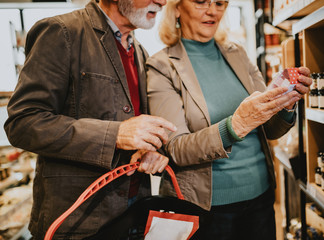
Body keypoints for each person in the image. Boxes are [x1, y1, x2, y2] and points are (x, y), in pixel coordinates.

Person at [4, 0, 177, 239]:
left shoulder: (138, 50)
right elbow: (22, 122)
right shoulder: (62, 32)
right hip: (77, 224)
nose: (162, 2)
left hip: (133, 215)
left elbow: (131, 124)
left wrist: (148, 150)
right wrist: (115, 135)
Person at [146, 0, 312, 239]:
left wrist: (285, 104)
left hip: (260, 197)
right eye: (201, 2)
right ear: (177, 7)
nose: (212, 10)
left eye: (220, 3)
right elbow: (176, 148)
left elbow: (270, 130)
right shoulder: (161, 66)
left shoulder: (237, 54)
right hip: (205, 209)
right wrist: (235, 126)